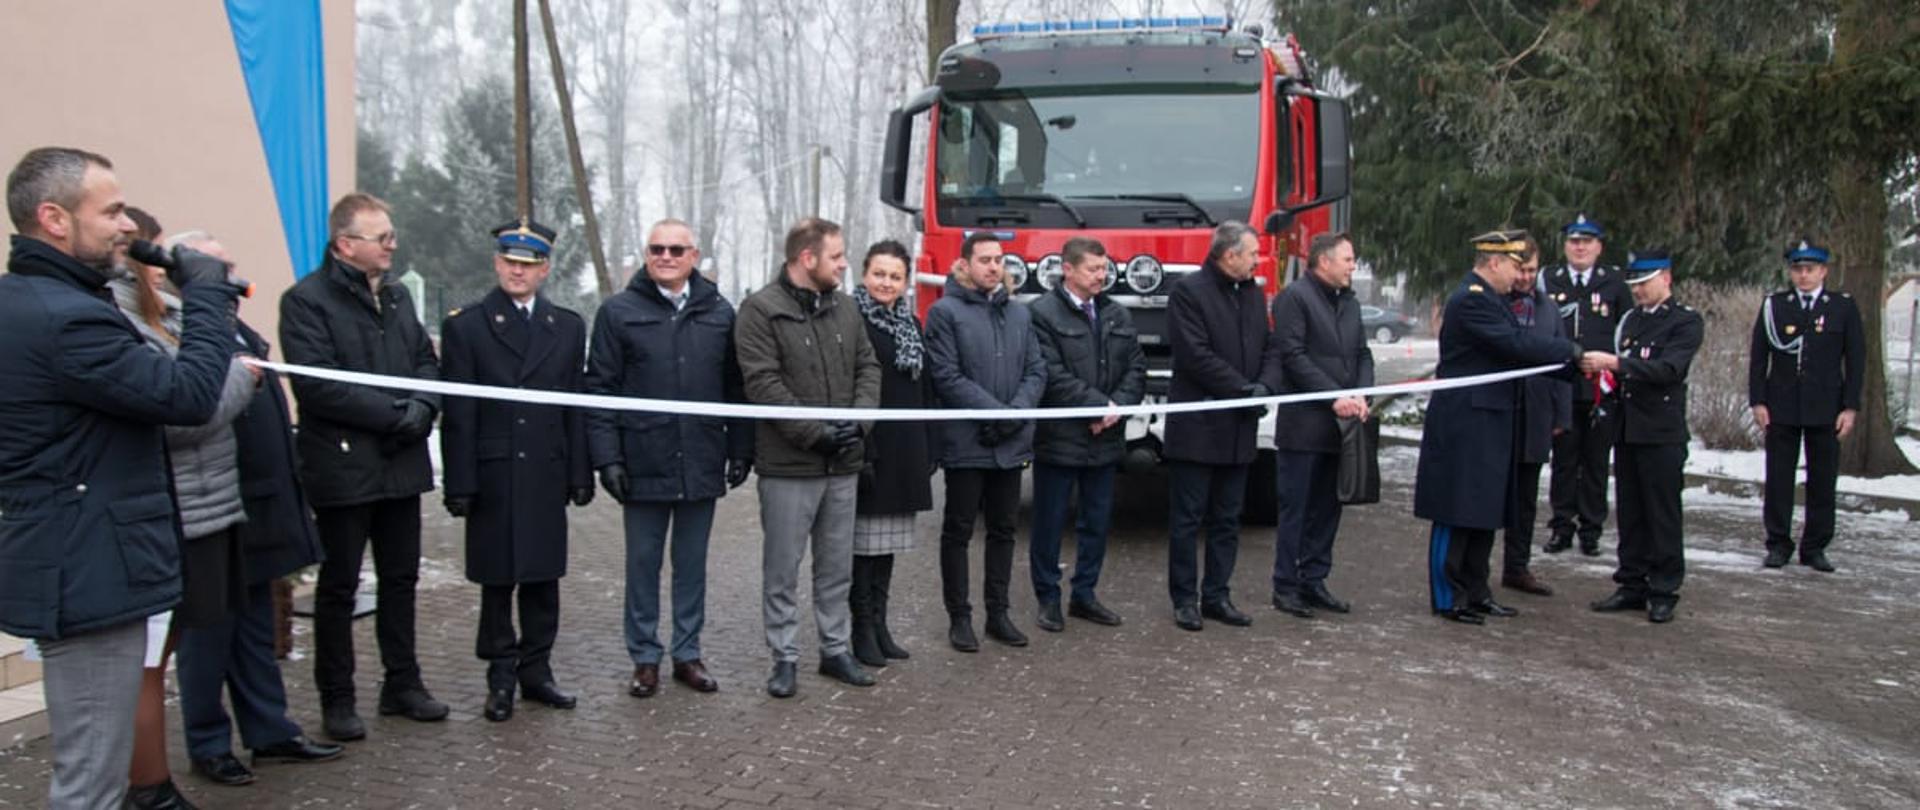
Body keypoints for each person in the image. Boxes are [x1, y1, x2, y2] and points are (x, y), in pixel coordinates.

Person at [1, 146, 241, 809]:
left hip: (82, 561)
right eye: (109, 211)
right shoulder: (64, 318)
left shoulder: (42, 301)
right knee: (91, 782)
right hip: (89, 572)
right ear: (53, 217)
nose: (124, 226)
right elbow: (190, 395)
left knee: (93, 774)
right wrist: (210, 298)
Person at [160, 233, 342, 790]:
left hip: (257, 502)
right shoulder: (172, 329)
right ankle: (209, 743)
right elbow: (189, 412)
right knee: (208, 634)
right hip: (212, 508)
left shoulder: (232, 324)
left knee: (257, 629)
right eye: (218, 268)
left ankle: (269, 730)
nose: (231, 278)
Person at [280, 192, 447, 741]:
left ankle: (403, 683)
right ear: (346, 244)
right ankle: (337, 696)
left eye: (392, 235)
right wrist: (395, 416)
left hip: (400, 465)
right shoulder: (305, 301)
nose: (393, 245)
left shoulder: (398, 298)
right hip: (344, 467)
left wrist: (422, 407)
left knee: (401, 579)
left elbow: (425, 361)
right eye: (383, 238)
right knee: (340, 587)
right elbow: (319, 384)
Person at [586, 218, 750, 699]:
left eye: (677, 250)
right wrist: (606, 457)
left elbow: (735, 388)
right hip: (642, 459)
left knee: (692, 564)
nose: (666, 257)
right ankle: (644, 657)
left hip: (700, 457)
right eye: (657, 248)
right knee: (642, 563)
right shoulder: (618, 312)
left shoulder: (720, 312)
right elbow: (600, 388)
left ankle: (687, 652)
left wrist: (740, 448)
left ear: (694, 256)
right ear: (646, 253)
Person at [440, 219, 594, 721]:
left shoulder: (567, 327)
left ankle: (537, 671)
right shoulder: (466, 326)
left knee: (542, 578)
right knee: (497, 580)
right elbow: (459, 415)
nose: (516, 272)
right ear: (496, 263)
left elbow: (573, 406)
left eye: (527, 265)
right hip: (496, 475)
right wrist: (460, 482)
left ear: (544, 269)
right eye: (509, 262)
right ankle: (500, 676)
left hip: (545, 473)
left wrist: (579, 471)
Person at [735, 217, 881, 697]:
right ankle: (785, 657)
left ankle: (835, 651)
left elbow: (867, 367)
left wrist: (857, 425)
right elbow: (763, 383)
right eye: (837, 257)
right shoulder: (759, 310)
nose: (844, 265)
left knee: (835, 566)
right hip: (789, 465)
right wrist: (816, 433)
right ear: (807, 258)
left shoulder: (846, 309)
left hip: (843, 464)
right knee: (782, 568)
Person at [1415, 230, 1581, 625]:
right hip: (1465, 422)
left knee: (1484, 510)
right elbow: (1516, 345)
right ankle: (1448, 595)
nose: (1519, 275)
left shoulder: (1492, 299)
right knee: (1456, 511)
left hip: (1493, 418)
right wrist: (1572, 354)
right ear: (1493, 262)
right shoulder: (1471, 300)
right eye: (1513, 266)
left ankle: (1476, 591)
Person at [925, 232, 1048, 650]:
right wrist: (995, 413)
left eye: (999, 259)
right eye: (985, 260)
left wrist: (1014, 415)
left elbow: (1036, 370)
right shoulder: (945, 312)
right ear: (965, 264)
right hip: (966, 442)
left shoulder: (1020, 315)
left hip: (1010, 444)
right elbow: (946, 376)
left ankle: (999, 613)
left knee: (1004, 530)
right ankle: (960, 617)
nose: (994, 267)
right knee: (958, 531)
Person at [1163, 221, 1280, 631]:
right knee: (1187, 518)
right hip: (1198, 426)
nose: (1255, 260)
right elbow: (1194, 354)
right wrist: (1241, 388)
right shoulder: (1189, 292)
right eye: (1251, 253)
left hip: (1238, 428)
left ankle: (1217, 594)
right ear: (1229, 255)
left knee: (1228, 518)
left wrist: (1264, 386)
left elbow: (1269, 346)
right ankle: (1184, 598)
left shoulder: (1252, 292)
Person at [1026, 237, 1146, 633]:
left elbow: (1136, 369)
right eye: (1094, 269)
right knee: (1049, 521)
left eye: (1104, 268)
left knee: (1097, 521)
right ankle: (1047, 597)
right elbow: (1050, 374)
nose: (1102, 275)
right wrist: (1097, 407)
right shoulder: (1042, 314)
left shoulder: (1116, 314)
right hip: (1061, 439)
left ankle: (1085, 594)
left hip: (1105, 440)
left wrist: (1113, 411)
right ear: (1068, 269)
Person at [1582, 250, 1704, 623]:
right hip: (1628, 428)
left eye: (1644, 283)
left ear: (1665, 278)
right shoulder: (1630, 321)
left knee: (1662, 513)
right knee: (1631, 512)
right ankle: (1631, 582)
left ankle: (1664, 587)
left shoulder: (1684, 322)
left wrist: (1615, 364)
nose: (1637, 291)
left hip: (1661, 432)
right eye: (1633, 285)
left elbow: (1669, 369)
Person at [1265, 232, 1373, 620]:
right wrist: (1333, 397)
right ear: (1323, 261)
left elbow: (1362, 353)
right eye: (1347, 259)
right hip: (1305, 426)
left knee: (1329, 507)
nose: (1352, 266)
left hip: (1342, 429)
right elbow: (1292, 356)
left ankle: (1314, 579)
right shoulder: (1295, 298)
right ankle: (1286, 585)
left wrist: (1362, 394)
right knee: (1298, 507)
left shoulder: (1350, 303)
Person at [1748, 238, 1865, 572]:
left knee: (1822, 480)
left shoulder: (1842, 306)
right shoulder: (1776, 305)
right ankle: (1778, 543)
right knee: (1779, 479)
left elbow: (1855, 360)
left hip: (1825, 407)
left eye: (1809, 269)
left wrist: (1850, 407)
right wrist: (1758, 400)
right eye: (1797, 269)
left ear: (1823, 271)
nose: (1803, 275)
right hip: (1782, 405)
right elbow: (1759, 357)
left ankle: (1815, 546)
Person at [849, 240, 933, 667]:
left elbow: (923, 387)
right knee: (862, 550)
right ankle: (860, 628)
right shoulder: (850, 320)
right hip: (870, 450)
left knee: (887, 549)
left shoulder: (910, 324)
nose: (886, 282)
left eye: (895, 276)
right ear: (865, 275)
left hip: (905, 452)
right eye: (879, 274)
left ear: (905, 282)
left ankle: (881, 625)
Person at [1542, 214, 1631, 557]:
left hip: (1601, 389)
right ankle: (1561, 526)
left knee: (1595, 462)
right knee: (1563, 462)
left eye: (1587, 242)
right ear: (1565, 246)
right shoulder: (1549, 279)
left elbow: (1626, 332)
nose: (1580, 247)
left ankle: (1591, 530)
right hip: (1562, 384)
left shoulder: (1614, 283)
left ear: (1599, 247)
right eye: (1573, 241)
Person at [1499, 238, 1572, 597]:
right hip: (1499, 414)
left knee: (1526, 498)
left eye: (1532, 270)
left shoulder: (1548, 309)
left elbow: (1562, 363)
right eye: (1521, 269)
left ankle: (1517, 566)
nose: (1526, 277)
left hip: (1536, 414)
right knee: (1491, 494)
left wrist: (1562, 414)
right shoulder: (1493, 303)